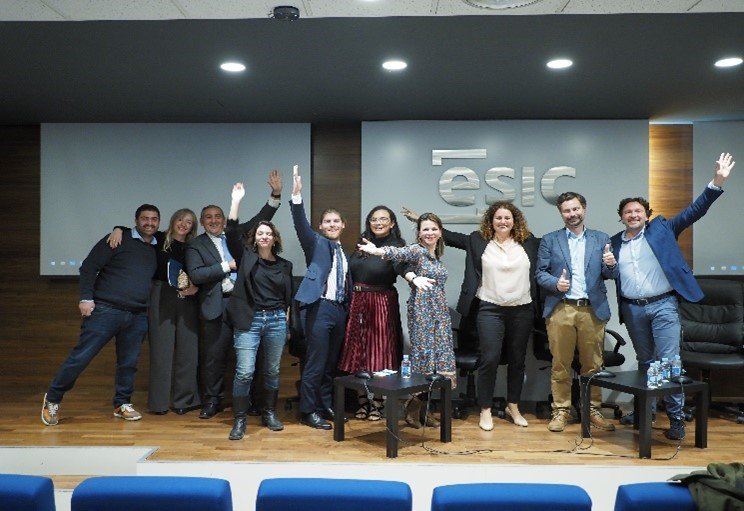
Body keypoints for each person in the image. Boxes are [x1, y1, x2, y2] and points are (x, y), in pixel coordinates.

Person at [611, 152, 735, 440]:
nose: (633, 215)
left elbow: (695, 211)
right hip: (633, 309)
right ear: (621, 217)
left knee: (667, 363)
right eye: (628, 212)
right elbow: (608, 273)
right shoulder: (614, 243)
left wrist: (717, 181)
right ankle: (647, 411)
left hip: (663, 305)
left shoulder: (662, 229)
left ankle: (676, 418)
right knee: (646, 362)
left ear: (646, 214)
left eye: (638, 211)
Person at [405, 202, 540, 430]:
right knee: (489, 359)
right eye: (498, 217)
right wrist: (422, 220)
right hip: (489, 308)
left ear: (514, 220)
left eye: (507, 217)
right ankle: (485, 409)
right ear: (491, 220)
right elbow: (446, 235)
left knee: (518, 360)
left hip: (522, 309)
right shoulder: (478, 240)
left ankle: (513, 406)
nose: (503, 221)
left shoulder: (528, 242)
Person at [41, 204, 160, 425]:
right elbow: (88, 267)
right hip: (106, 310)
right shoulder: (117, 239)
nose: (149, 223)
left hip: (137, 314)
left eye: (154, 219)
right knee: (81, 357)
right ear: (136, 220)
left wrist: (119, 227)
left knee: (128, 363)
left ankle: (122, 403)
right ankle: (53, 399)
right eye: (145, 218)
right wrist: (85, 298)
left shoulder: (157, 244)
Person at [185, 171, 283, 419]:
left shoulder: (236, 234)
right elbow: (197, 274)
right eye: (209, 217)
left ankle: (253, 402)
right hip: (216, 305)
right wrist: (226, 266)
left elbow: (263, 218)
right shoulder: (195, 244)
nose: (214, 220)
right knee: (214, 358)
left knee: (253, 357)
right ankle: (212, 401)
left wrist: (275, 194)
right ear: (202, 221)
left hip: (246, 305)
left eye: (218, 216)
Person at [357, 212, 456, 428]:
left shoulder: (435, 256)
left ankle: (425, 410)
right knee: (424, 361)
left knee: (437, 364)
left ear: (440, 232)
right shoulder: (417, 251)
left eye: (434, 229)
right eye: (425, 229)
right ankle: (412, 408)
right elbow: (397, 253)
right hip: (422, 312)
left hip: (439, 313)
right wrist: (378, 251)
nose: (430, 233)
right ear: (419, 233)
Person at [535, 192, 618, 433]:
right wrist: (555, 283)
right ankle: (561, 410)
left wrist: (611, 264)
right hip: (561, 308)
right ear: (561, 213)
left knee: (593, 365)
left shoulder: (601, 238)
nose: (572, 214)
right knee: (560, 364)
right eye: (566, 210)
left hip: (591, 309)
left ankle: (592, 409)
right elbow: (540, 273)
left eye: (575, 209)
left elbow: (610, 274)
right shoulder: (550, 240)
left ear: (584, 208)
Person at [109, 209, 202, 415]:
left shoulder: (195, 245)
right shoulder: (158, 239)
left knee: (188, 351)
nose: (183, 224)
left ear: (193, 226)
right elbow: (136, 231)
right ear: (173, 221)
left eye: (188, 222)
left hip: (189, 298)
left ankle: (184, 401)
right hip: (161, 295)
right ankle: (159, 404)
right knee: (161, 351)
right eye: (180, 219)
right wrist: (118, 229)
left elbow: (201, 272)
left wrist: (196, 288)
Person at [290, 165, 351, 430]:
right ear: (320, 226)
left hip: (339, 310)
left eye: (336, 221)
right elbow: (300, 225)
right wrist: (296, 196)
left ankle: (325, 405)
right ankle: (307, 411)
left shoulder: (344, 251)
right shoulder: (316, 243)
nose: (332, 225)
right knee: (315, 363)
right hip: (319, 308)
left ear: (343, 225)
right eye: (327, 221)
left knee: (330, 364)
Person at [224, 217, 293, 440]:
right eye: (260, 233)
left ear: (275, 239)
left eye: (268, 234)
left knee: (272, 371)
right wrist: (235, 203)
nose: (264, 236)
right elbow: (231, 232)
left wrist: (286, 322)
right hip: (250, 320)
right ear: (254, 238)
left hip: (276, 320)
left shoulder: (285, 265)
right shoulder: (246, 258)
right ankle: (240, 419)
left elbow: (287, 297)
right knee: (245, 372)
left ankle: (269, 413)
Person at [338, 206, 409, 421]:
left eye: (383, 219)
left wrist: (414, 277)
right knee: (359, 352)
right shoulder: (362, 243)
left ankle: (378, 403)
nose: (378, 223)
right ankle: (362, 401)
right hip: (358, 301)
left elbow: (402, 268)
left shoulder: (397, 246)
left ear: (392, 223)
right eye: (374, 219)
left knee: (380, 352)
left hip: (381, 301)